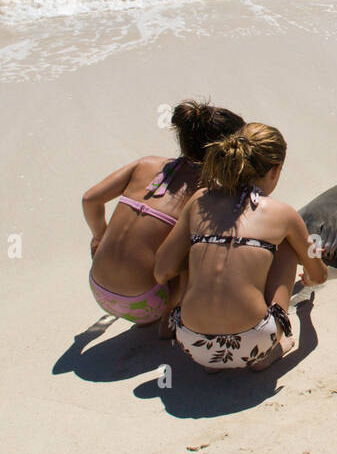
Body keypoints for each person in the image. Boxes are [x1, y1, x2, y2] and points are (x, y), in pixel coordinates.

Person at [154, 122, 327, 371]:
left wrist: (200, 255)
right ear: (275, 170)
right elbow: (319, 275)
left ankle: (214, 361)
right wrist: (309, 278)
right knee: (287, 246)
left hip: (191, 343)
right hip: (255, 341)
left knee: (200, 247)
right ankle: (273, 347)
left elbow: (162, 271)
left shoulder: (199, 200)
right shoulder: (283, 214)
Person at [82, 100, 245, 325]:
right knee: (199, 248)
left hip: (98, 288)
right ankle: (170, 316)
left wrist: (99, 236)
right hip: (147, 303)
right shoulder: (208, 193)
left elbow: (90, 199)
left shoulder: (145, 164)